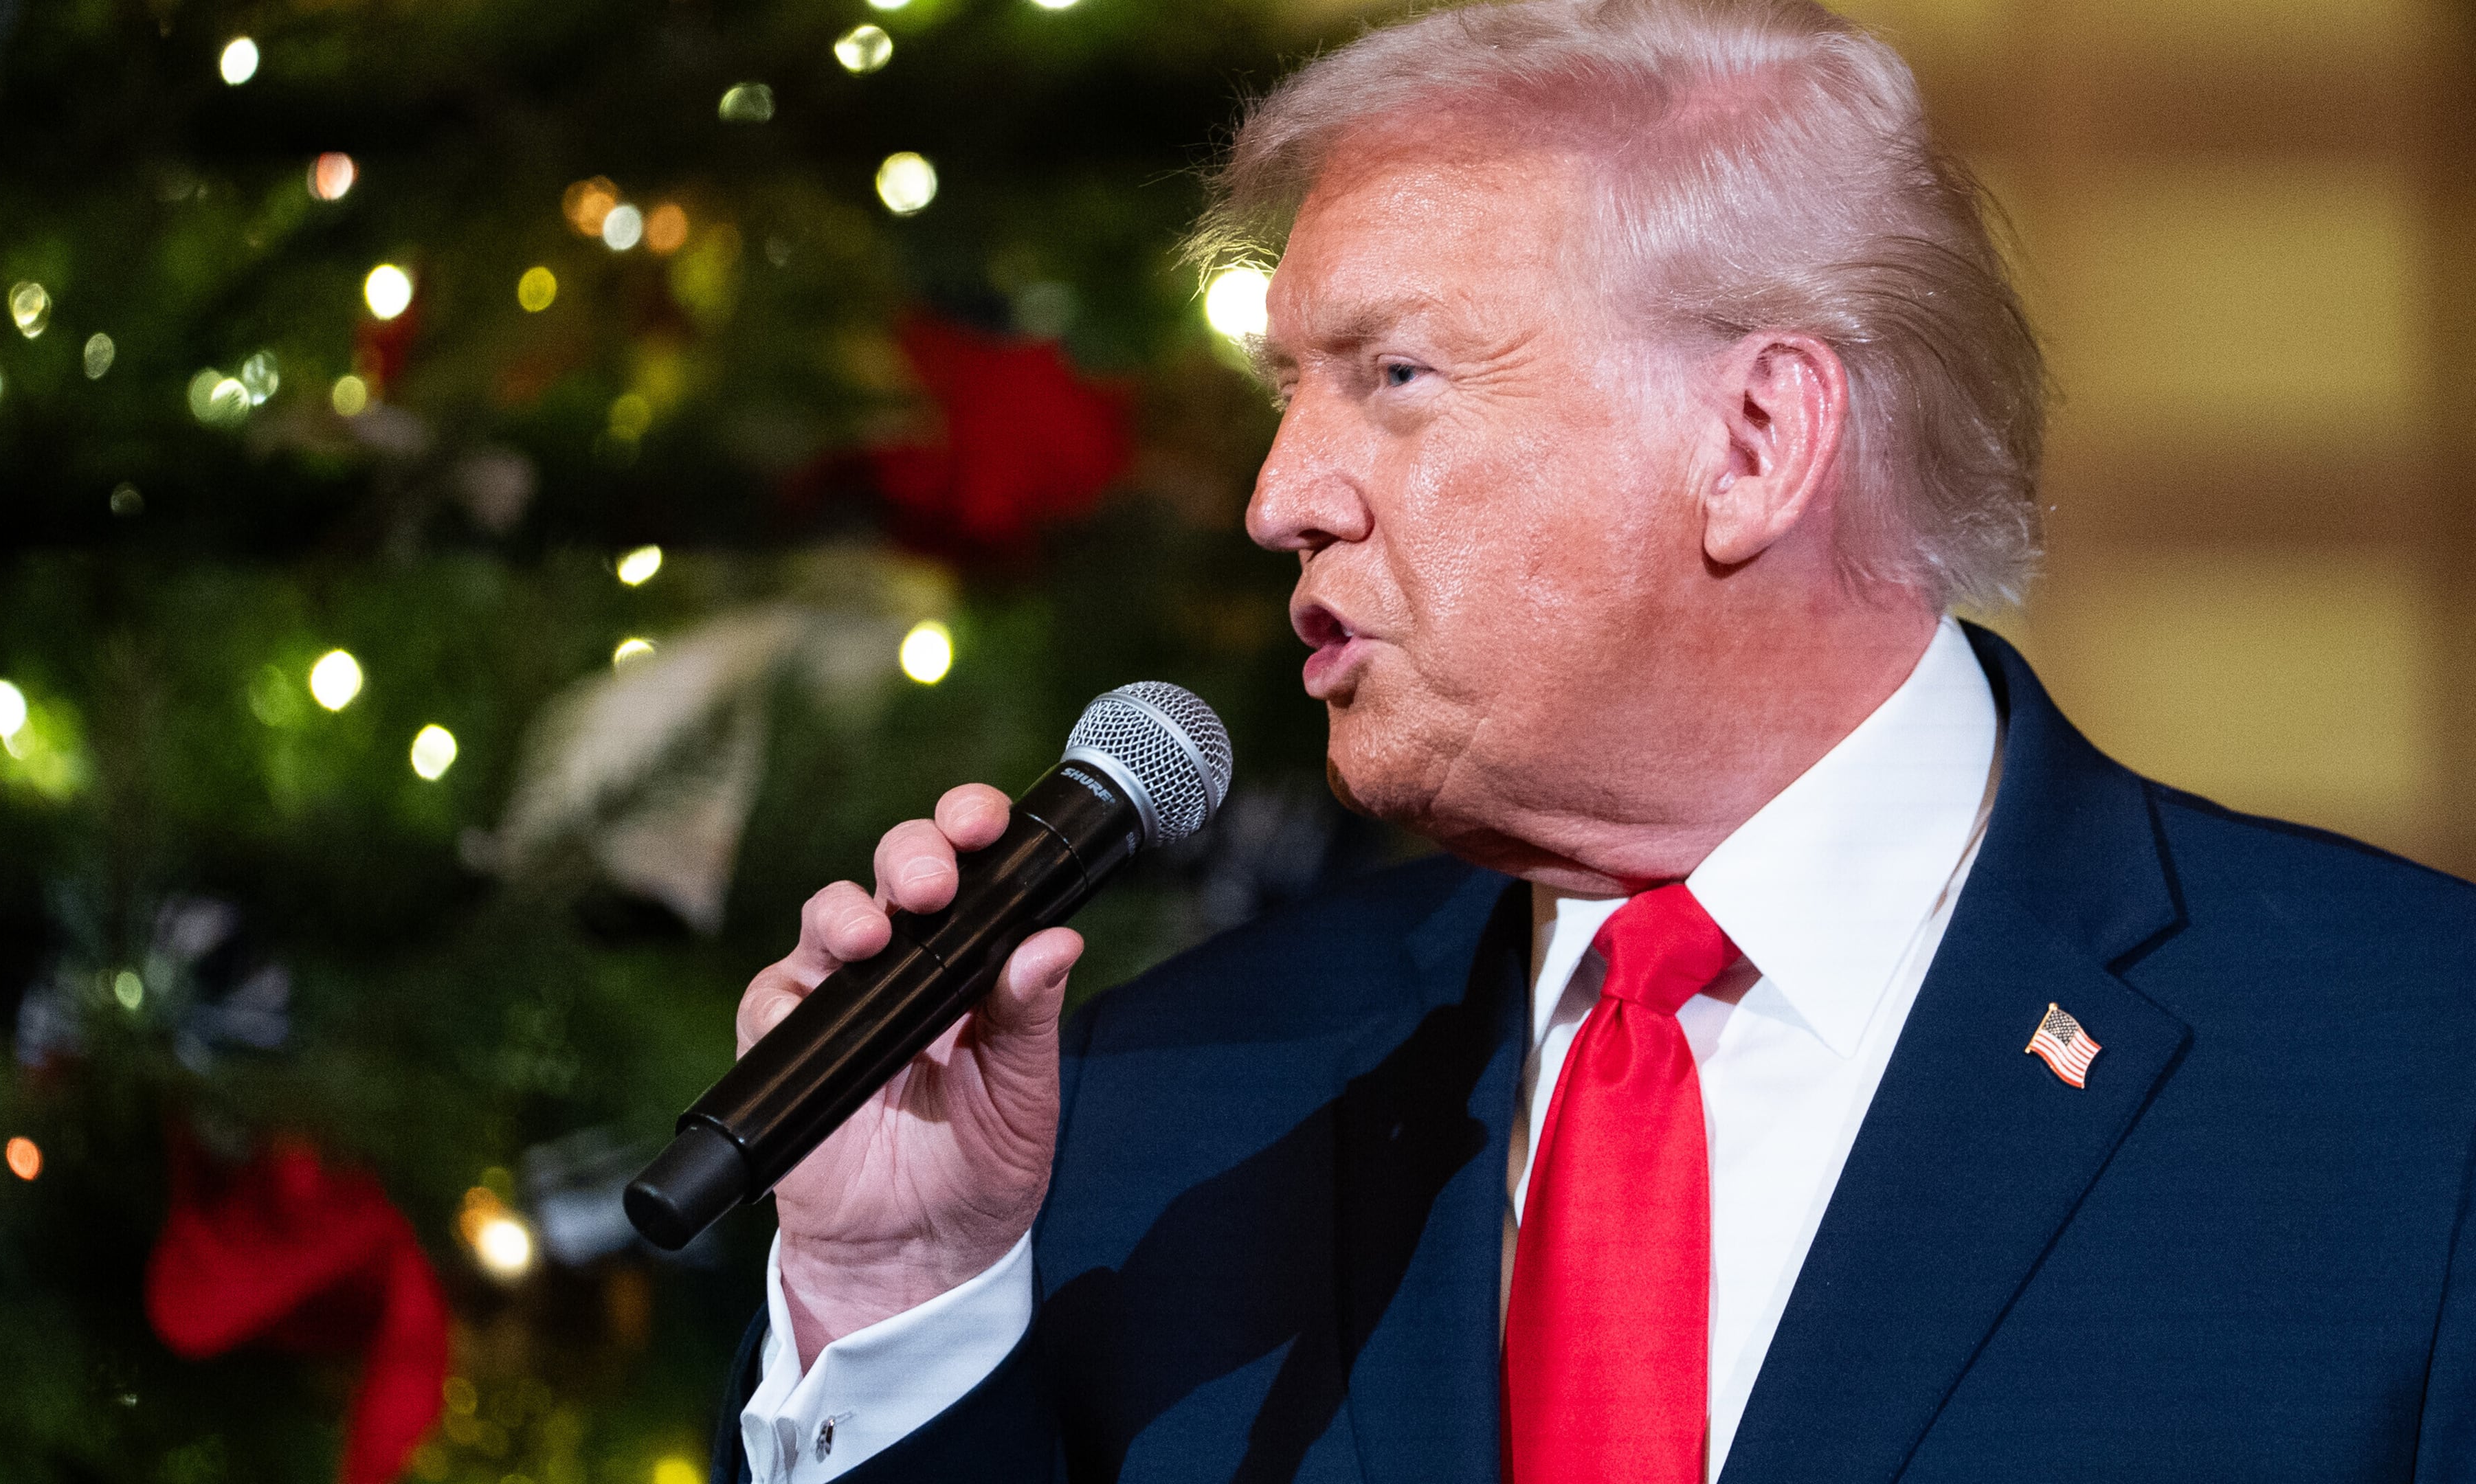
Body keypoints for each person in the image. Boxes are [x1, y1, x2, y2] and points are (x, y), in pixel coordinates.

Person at [717, 1, 2476, 1480]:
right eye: (1286, 398)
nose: (1277, 502)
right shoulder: (1162, 1103)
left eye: (1392, 376)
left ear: (1753, 442)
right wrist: (899, 1311)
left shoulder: (2412, 1067)